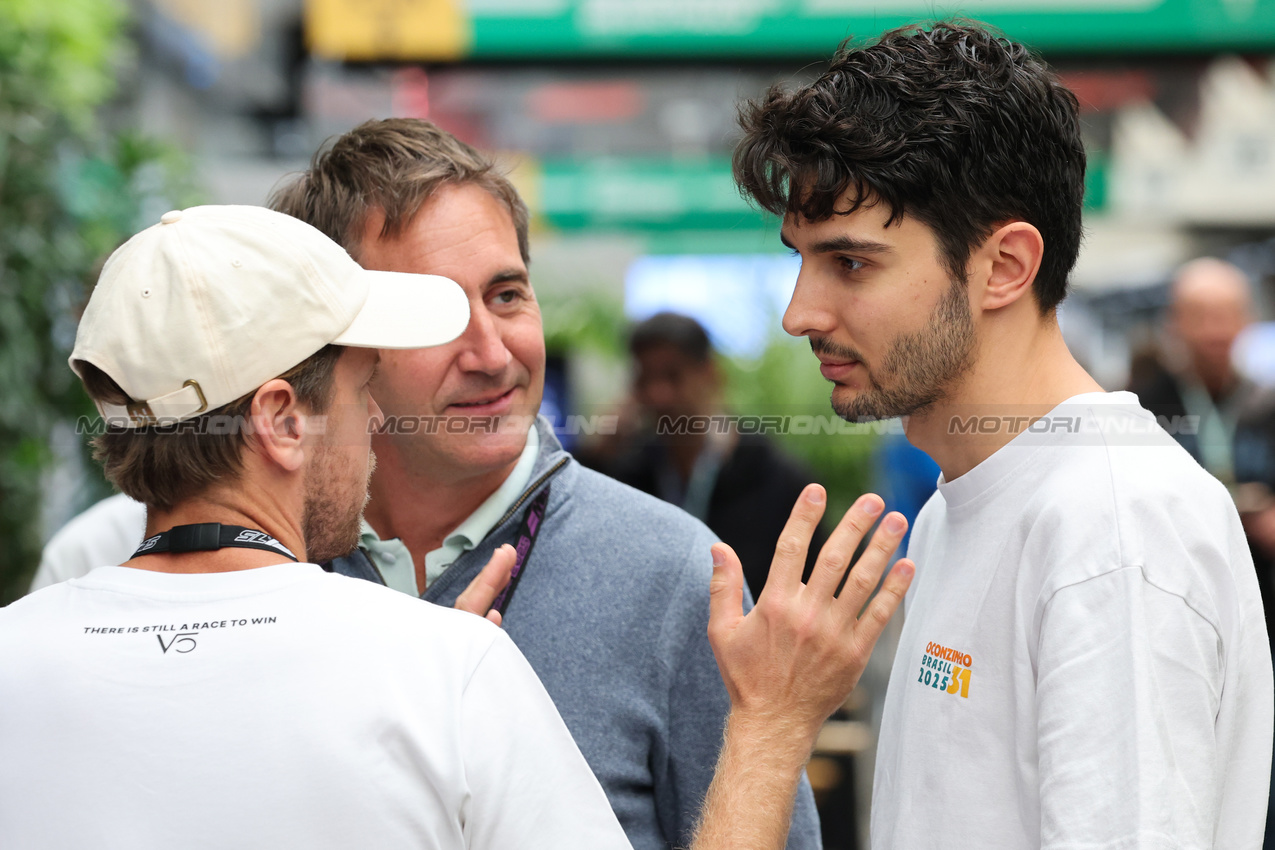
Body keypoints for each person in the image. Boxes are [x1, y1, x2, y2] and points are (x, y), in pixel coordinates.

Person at [0, 205, 916, 850]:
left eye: (510, 295)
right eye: (363, 389)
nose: (372, 432)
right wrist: (769, 727)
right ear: (282, 422)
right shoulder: (447, 667)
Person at [732, 21, 1273, 848]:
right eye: (800, 259)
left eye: (850, 263)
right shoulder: (966, 502)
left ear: (1006, 266)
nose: (799, 312)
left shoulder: (1112, 528)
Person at [267, 119, 822, 849]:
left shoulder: (672, 576)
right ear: (334, 346)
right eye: (435, 312)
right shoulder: (262, 566)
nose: (492, 354)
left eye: (506, 296)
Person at [586, 311, 827, 599]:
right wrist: (597, 454)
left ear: (710, 373)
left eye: (673, 375)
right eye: (645, 378)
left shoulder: (775, 478)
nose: (658, 394)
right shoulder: (628, 476)